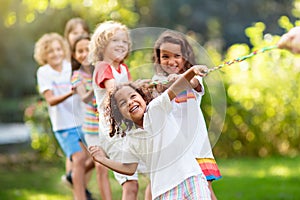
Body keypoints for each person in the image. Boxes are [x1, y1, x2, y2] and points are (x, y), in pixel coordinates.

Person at [89, 64, 211, 200]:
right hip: (164, 192)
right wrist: (102, 159)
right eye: (123, 103)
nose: (130, 102)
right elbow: (129, 168)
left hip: (192, 178)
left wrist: (192, 72)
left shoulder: (156, 109)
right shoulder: (130, 138)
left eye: (133, 96)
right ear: (120, 115)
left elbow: (177, 87)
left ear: (143, 98)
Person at [152, 30, 222, 200]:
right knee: (165, 189)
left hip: (197, 147)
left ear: (185, 57)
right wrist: (171, 80)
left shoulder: (195, 78)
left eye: (177, 56)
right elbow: (160, 89)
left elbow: (193, 83)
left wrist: (189, 74)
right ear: (159, 59)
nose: (171, 61)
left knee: (207, 190)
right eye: (165, 57)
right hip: (174, 150)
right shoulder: (157, 81)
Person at [34, 32, 90, 200]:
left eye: (58, 49)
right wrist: (70, 92)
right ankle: (80, 197)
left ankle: (71, 178)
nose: (56, 53)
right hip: (63, 125)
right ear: (44, 55)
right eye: (50, 51)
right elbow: (50, 100)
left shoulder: (70, 66)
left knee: (95, 157)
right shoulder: (44, 72)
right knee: (79, 159)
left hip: (82, 121)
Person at [88, 20, 139, 200]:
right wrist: (137, 88)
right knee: (130, 183)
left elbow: (133, 93)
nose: (121, 44)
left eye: (124, 41)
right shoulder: (103, 67)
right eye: (115, 40)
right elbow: (116, 92)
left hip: (127, 129)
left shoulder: (123, 68)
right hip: (113, 131)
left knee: (145, 177)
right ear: (102, 45)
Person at [71, 35, 112, 200]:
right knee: (101, 166)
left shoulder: (103, 70)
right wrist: (96, 85)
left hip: (108, 127)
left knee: (112, 164)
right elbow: (84, 98)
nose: (84, 54)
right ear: (74, 55)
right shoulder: (77, 76)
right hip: (92, 130)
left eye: (87, 49)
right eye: (79, 51)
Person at [62, 18, 94, 199]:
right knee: (77, 157)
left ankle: (81, 186)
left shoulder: (89, 60)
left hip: (87, 115)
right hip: (70, 116)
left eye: (82, 31)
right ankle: (79, 191)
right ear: (67, 37)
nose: (78, 35)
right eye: (74, 33)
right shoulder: (69, 63)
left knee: (89, 155)